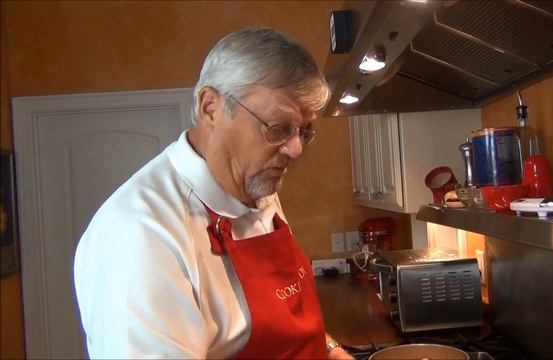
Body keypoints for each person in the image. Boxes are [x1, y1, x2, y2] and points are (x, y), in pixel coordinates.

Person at [74, 27, 353, 359]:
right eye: (278, 128)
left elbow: (287, 326)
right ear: (210, 108)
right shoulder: (139, 234)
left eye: (303, 132)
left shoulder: (256, 184)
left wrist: (332, 351)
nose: (295, 149)